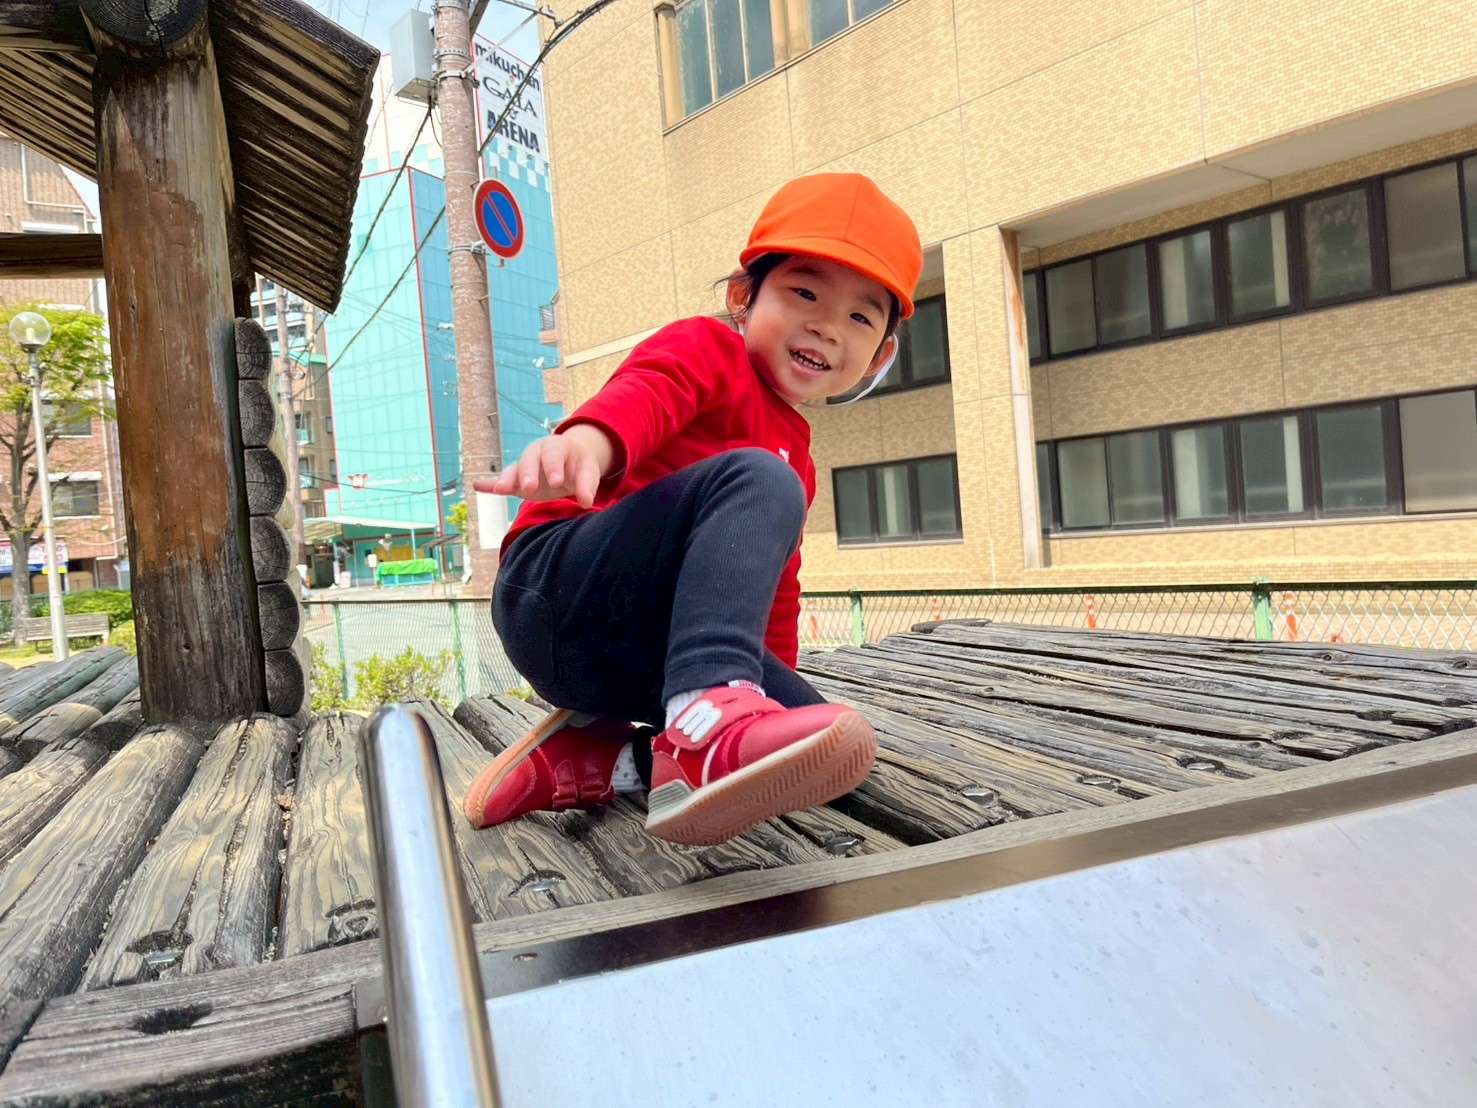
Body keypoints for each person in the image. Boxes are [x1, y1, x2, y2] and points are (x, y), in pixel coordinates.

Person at [464, 174, 922, 845]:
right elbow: (648, 394)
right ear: (742, 297)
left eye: (860, 317)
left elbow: (771, 595)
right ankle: (704, 726)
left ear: (879, 355)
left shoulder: (796, 455)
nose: (826, 325)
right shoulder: (707, 348)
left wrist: (767, 693)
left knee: (827, 747)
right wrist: (585, 445)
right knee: (760, 479)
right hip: (556, 593)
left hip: (642, 653)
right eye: (804, 293)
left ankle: (598, 759)